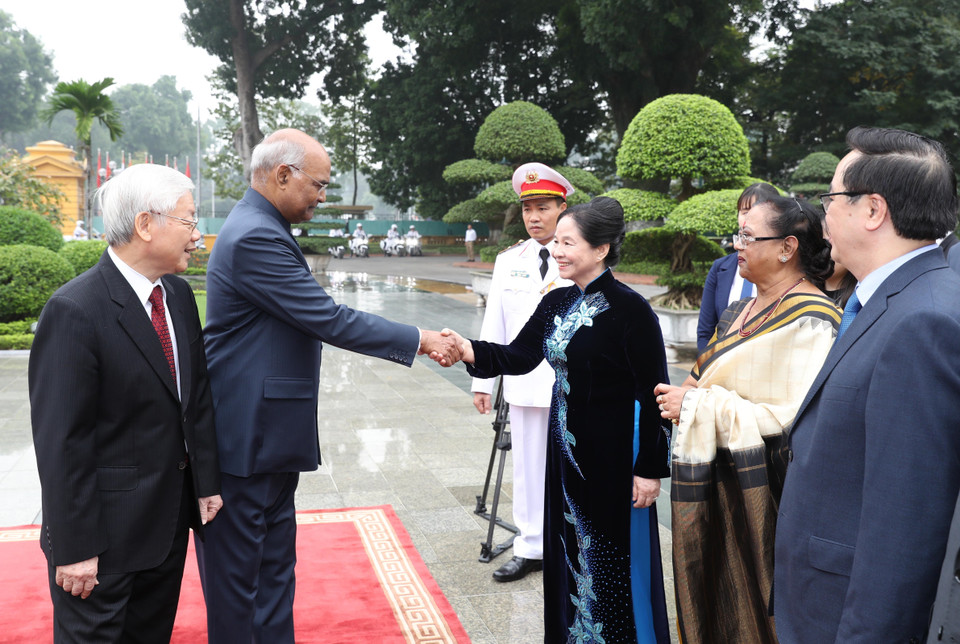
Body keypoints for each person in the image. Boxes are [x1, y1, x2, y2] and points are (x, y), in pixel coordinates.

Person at [197, 128, 460, 644]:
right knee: (237, 590)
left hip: (267, 439)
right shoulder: (254, 236)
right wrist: (421, 338)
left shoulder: (263, 226)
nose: (322, 195)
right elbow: (328, 318)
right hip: (242, 441)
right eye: (318, 184)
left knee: (274, 576)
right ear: (282, 175)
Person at [443, 196, 672, 642]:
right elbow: (520, 355)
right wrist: (466, 349)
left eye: (569, 243)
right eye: (557, 242)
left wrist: (648, 470)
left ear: (601, 249)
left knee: (611, 559)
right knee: (569, 550)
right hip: (566, 454)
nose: (558, 251)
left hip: (613, 458)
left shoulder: (632, 311)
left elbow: (656, 395)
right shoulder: (557, 302)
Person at [774, 127, 960, 642]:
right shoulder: (889, 298)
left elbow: (905, 524)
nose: (823, 215)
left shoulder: (924, 321)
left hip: (846, 616)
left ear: (873, 210)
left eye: (830, 198)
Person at [28, 164, 223, 643]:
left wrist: (206, 483)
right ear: (145, 225)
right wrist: (74, 548)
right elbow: (62, 442)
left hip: (167, 525)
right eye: (189, 221)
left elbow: (193, 398)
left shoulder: (176, 295)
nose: (197, 235)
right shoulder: (76, 310)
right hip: (102, 542)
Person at [654, 196, 841, 644]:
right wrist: (691, 396)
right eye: (737, 235)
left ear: (786, 248)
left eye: (747, 237)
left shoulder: (813, 322)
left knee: (758, 613)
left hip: (767, 499)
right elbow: (711, 375)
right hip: (719, 486)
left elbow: (795, 422)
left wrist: (696, 407)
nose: (736, 245)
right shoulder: (740, 310)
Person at [470, 162, 573, 582]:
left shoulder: (582, 255)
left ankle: (570, 545)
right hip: (525, 385)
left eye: (543, 207)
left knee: (572, 469)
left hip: (573, 386)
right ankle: (531, 547)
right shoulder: (508, 260)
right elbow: (494, 324)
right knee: (529, 468)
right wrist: (482, 380)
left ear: (562, 207)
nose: (534, 216)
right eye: (528, 208)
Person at [697, 182, 780, 352]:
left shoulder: (783, 267)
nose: (747, 218)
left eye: (756, 211)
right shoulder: (720, 268)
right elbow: (706, 330)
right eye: (744, 212)